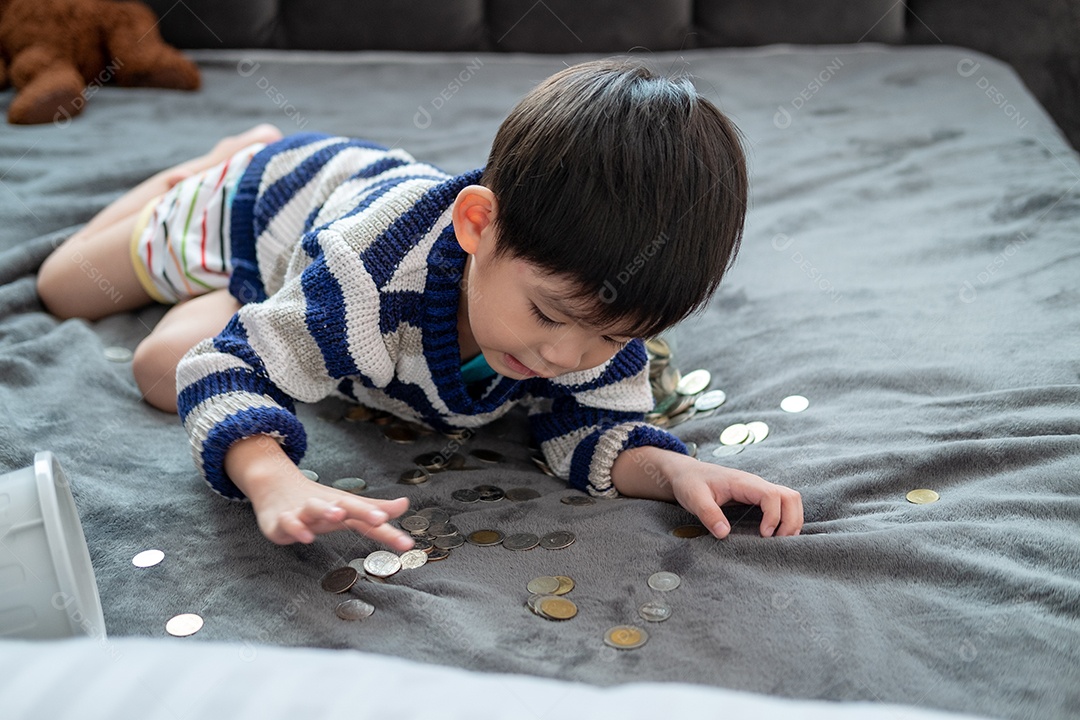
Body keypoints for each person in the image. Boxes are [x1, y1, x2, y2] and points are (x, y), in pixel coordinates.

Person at [37, 58, 803, 551]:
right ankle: (204, 164)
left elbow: (592, 429)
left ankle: (261, 297)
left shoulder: (601, 316)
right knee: (65, 288)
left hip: (310, 256)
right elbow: (231, 369)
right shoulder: (370, 276)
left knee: (160, 364)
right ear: (478, 225)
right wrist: (273, 478)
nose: (565, 358)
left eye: (606, 339)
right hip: (258, 201)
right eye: (545, 316)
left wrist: (674, 472)